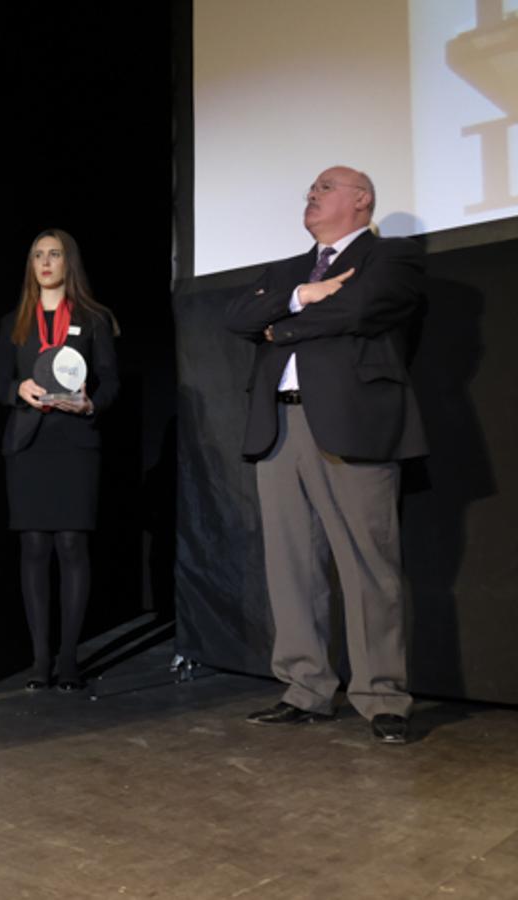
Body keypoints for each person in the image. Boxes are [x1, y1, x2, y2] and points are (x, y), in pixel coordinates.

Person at [225, 165, 426, 744]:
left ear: (361, 200)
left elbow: (359, 311)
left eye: (326, 186)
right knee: (291, 567)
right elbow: (236, 317)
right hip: (278, 426)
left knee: (369, 565)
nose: (311, 193)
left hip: (351, 424)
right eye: (310, 187)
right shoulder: (288, 271)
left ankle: (382, 695)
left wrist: (280, 327)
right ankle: (306, 689)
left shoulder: (393, 258)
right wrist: (300, 295)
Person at [0, 229, 118, 691]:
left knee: (70, 544)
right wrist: (17, 390)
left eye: (55, 254)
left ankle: (69, 659)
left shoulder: (93, 318)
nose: (45, 262)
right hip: (28, 443)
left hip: (74, 441)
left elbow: (111, 382)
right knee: (33, 547)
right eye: (38, 255)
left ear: (70, 263)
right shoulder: (14, 321)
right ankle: (39, 660)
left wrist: (91, 404)